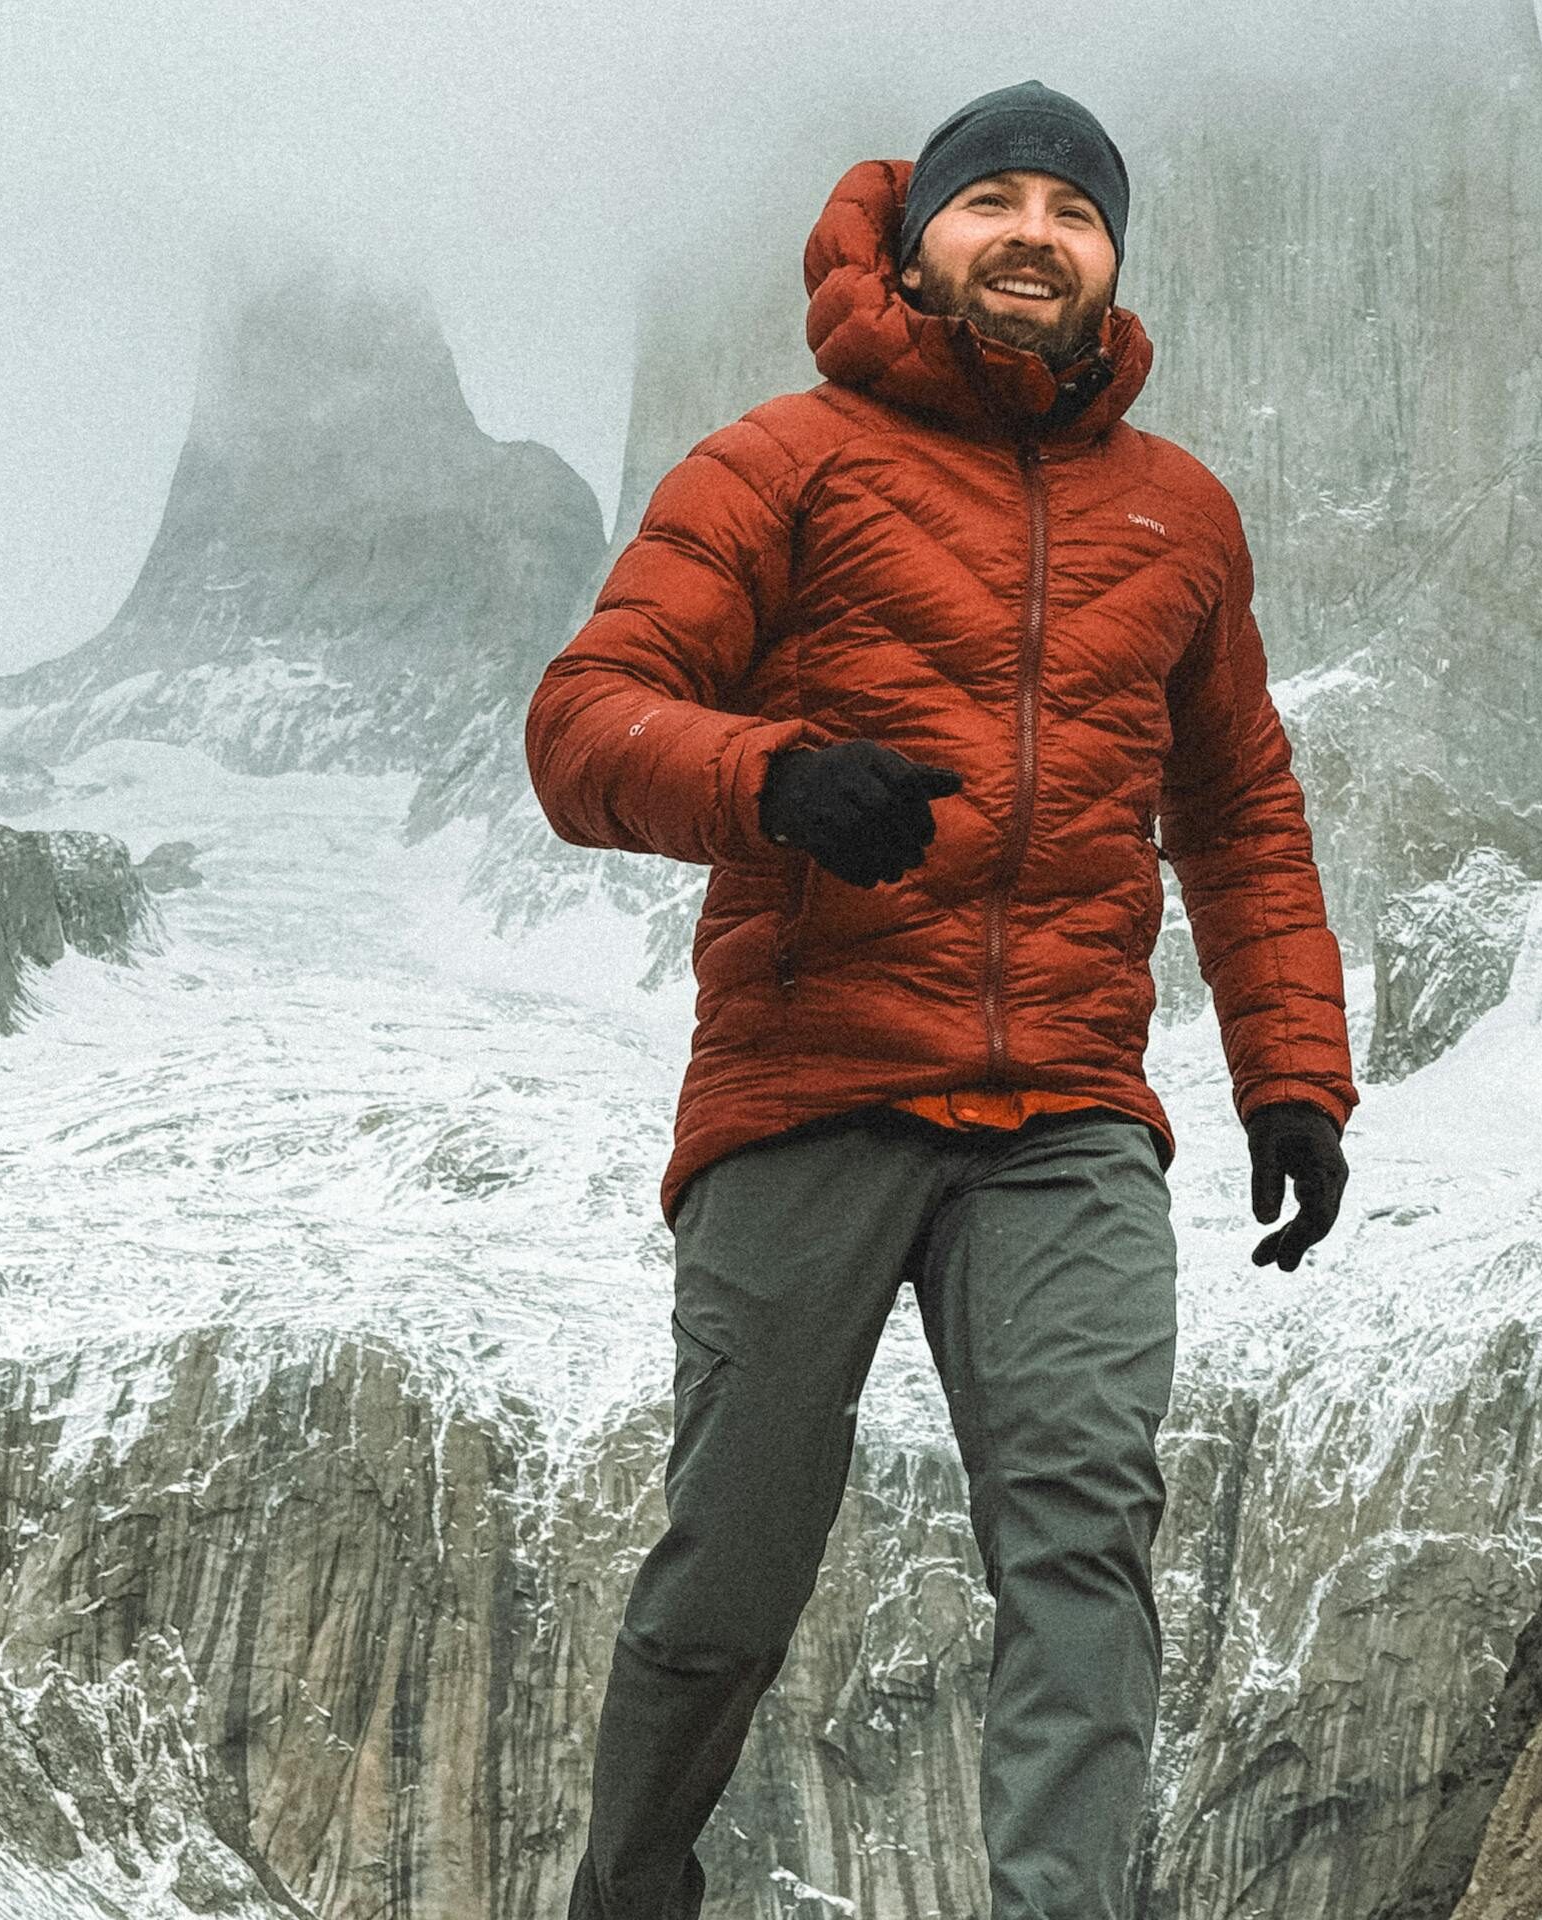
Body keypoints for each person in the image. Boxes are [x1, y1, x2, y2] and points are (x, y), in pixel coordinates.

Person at [525, 78, 1356, 1920]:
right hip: (806, 1086)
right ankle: (632, 1887)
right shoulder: (778, 463)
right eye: (1000, 206)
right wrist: (771, 776)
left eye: (1077, 214)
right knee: (729, 1570)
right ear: (920, 242)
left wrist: (1294, 1071)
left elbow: (1239, 815)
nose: (1037, 237)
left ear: (1112, 264)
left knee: (1083, 1545)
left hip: (1063, 1118)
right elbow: (580, 730)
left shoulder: (1184, 518)